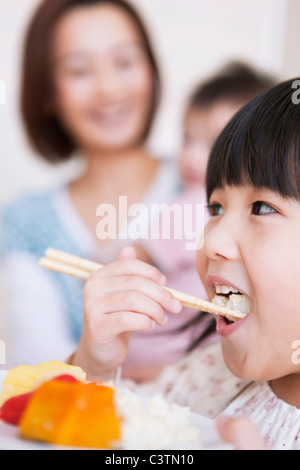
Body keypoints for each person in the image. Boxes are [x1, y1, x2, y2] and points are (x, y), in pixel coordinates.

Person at [71, 78, 300, 449]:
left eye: (262, 208)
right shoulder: (208, 374)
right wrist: (94, 366)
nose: (211, 240)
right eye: (215, 208)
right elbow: (110, 433)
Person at [0, 0, 181, 372]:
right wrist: (92, 360)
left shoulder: (215, 192)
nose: (108, 88)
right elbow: (33, 373)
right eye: (80, 71)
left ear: (151, 70)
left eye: (125, 62)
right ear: (48, 91)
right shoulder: (22, 225)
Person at [131, 62, 276, 368]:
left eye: (214, 143)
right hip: (173, 357)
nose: (192, 156)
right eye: (187, 139)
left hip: (175, 356)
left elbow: (132, 258)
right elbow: (135, 262)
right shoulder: (188, 203)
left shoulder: (189, 203)